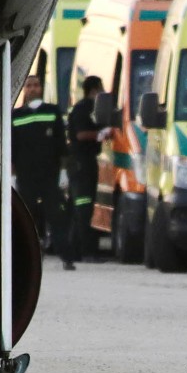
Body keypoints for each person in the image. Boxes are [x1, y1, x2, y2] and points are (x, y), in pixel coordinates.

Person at [11, 74, 77, 271]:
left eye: (36, 85)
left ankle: (66, 257)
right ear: (24, 89)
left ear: (41, 88)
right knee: (25, 219)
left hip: (50, 176)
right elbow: (12, 148)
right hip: (26, 177)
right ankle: (22, 258)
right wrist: (13, 176)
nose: (32, 89)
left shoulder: (52, 112)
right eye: (29, 85)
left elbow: (61, 146)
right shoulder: (16, 115)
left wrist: (63, 173)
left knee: (57, 217)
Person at [65, 75, 109, 263]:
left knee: (81, 209)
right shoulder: (84, 108)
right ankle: (87, 251)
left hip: (84, 162)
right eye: (101, 88)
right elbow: (82, 134)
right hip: (81, 163)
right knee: (84, 208)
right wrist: (100, 134)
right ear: (94, 89)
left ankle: (76, 251)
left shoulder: (83, 107)